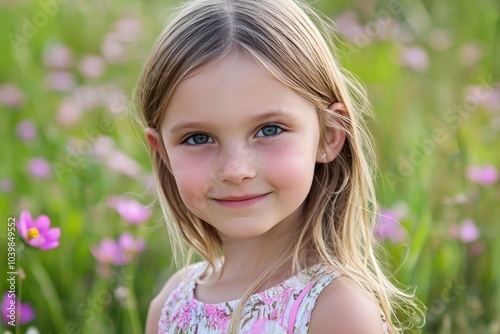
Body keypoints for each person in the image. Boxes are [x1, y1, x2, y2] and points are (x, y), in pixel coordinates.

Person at [138, 0, 421, 332]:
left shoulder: (337, 311)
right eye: (199, 138)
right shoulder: (171, 306)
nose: (235, 170)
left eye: (269, 130)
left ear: (329, 135)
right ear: (163, 154)